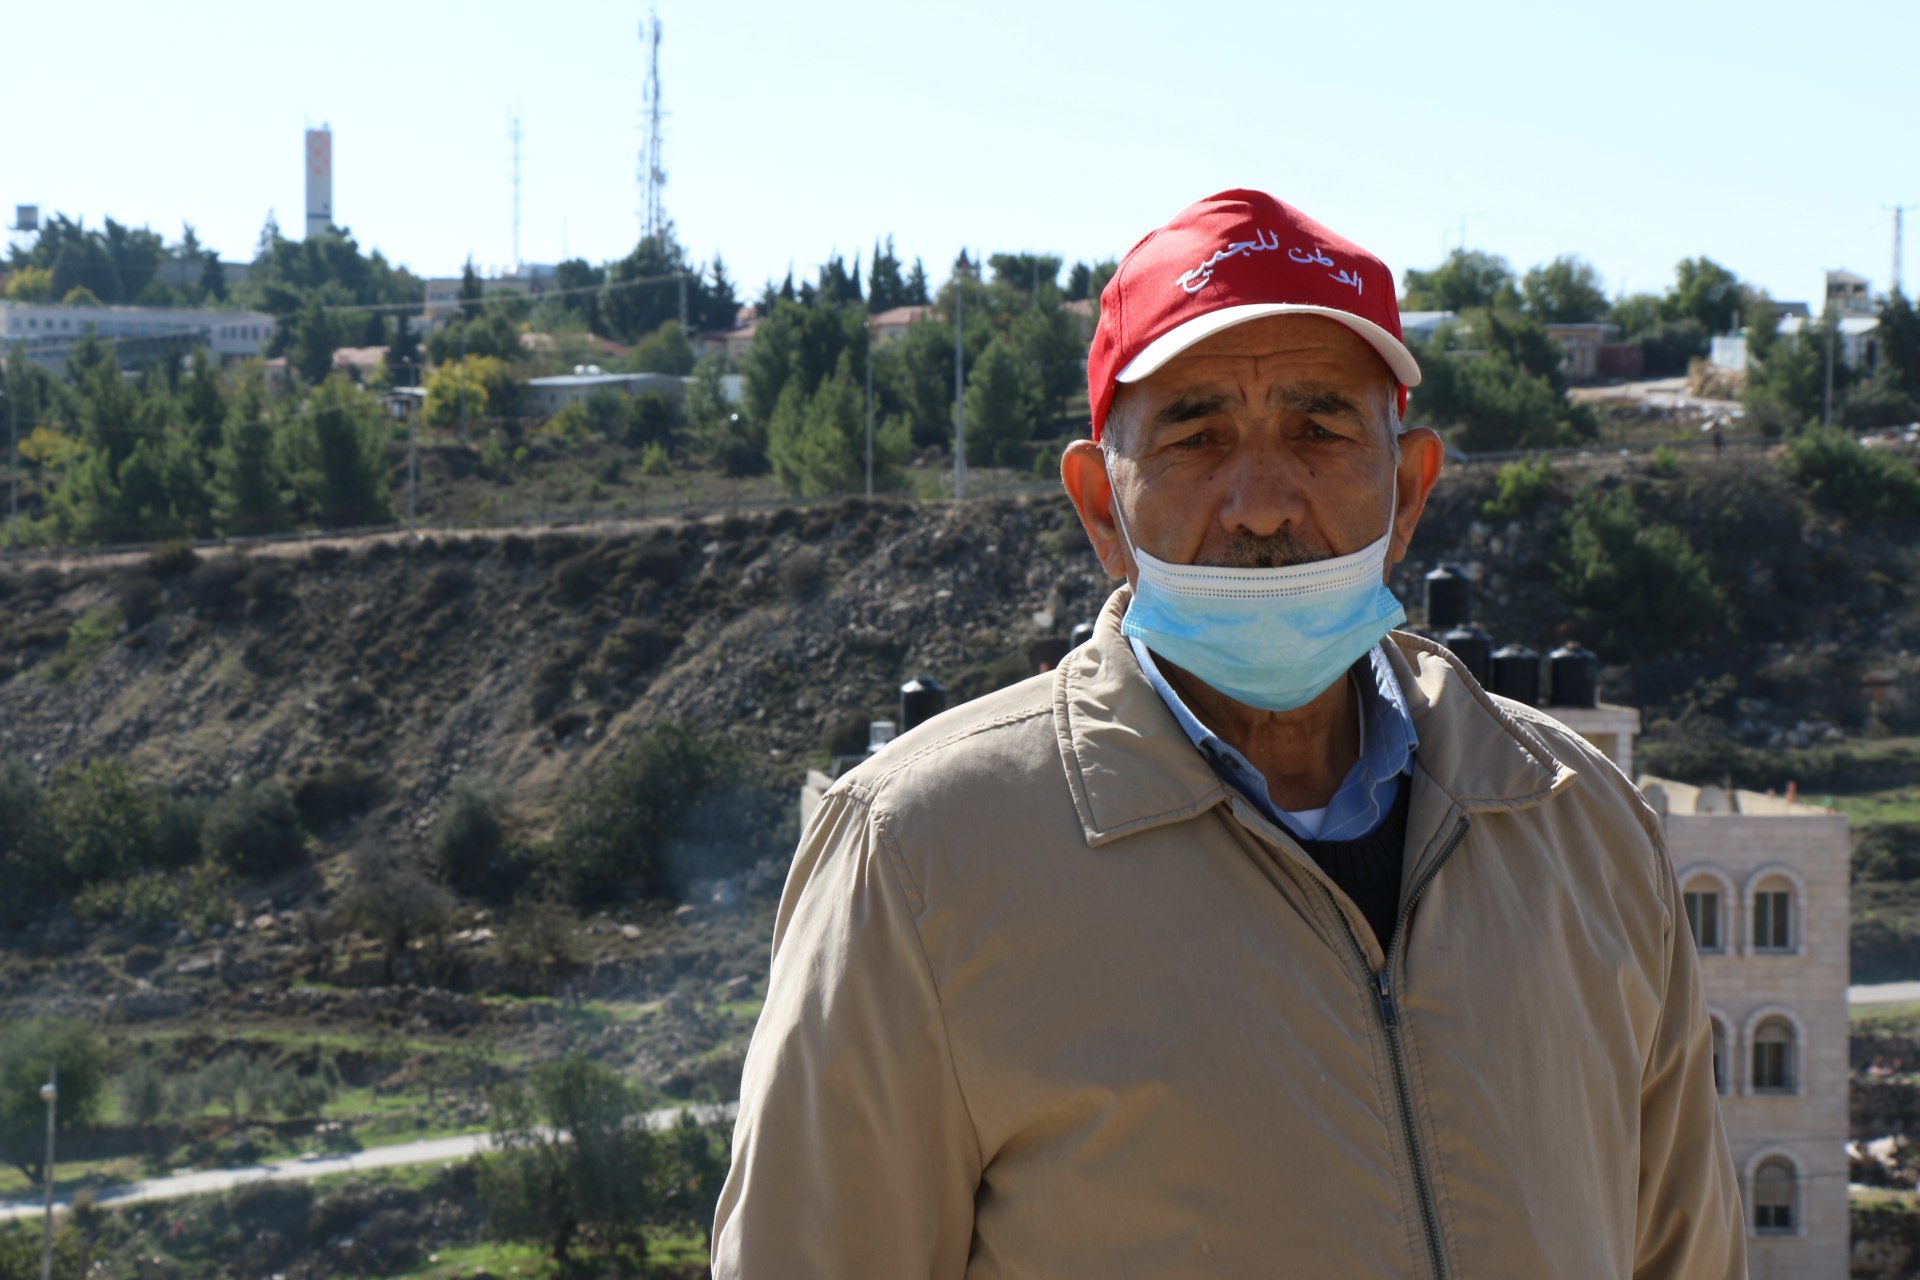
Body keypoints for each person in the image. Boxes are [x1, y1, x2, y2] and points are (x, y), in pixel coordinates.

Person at [713, 190, 1744, 1278]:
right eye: (1197, 434)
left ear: (1407, 492)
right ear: (1100, 509)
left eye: (1319, 427)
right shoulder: (920, 859)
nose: (1261, 503)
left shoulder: (1581, 828)